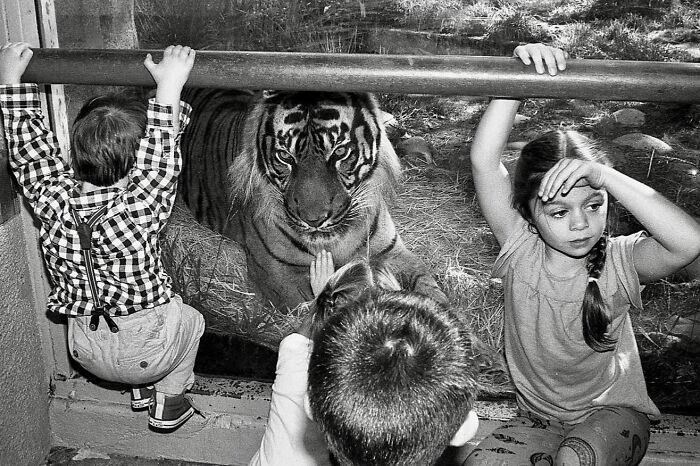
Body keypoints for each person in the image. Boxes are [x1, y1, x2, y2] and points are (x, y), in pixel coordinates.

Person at [465, 43, 700, 465]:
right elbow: (485, 160)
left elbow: (688, 242)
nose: (579, 224)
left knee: (575, 462)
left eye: (593, 205)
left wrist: (605, 175)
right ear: (527, 213)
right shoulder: (519, 247)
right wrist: (518, 77)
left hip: (614, 415)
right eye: (558, 210)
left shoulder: (621, 262)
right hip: (537, 416)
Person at [0, 42, 205, 433]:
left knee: (142, 338)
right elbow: (160, 157)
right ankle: (169, 401)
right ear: (137, 167)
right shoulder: (140, 207)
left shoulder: (51, 197)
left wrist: (10, 80)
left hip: (83, 347)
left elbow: (30, 154)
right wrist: (170, 86)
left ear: (74, 154)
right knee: (191, 320)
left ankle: (141, 388)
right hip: (147, 349)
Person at [249, 251, 480, 465]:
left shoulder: (295, 359)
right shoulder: (296, 360)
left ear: (310, 405)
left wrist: (325, 299)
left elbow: (298, 344)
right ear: (464, 428)